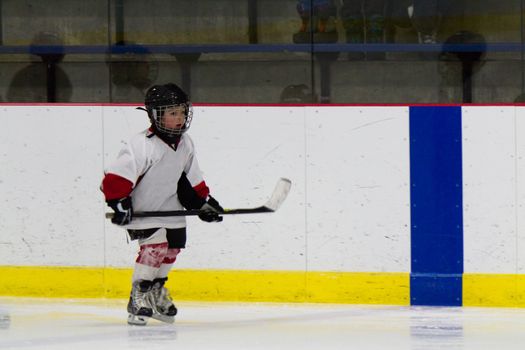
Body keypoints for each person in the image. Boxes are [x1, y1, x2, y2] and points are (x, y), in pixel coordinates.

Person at [101, 83, 223, 326]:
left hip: (171, 207)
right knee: (155, 247)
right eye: (172, 113)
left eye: (181, 112)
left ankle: (156, 291)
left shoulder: (185, 143)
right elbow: (116, 177)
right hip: (143, 209)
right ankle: (139, 295)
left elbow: (192, 179)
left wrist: (205, 203)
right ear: (155, 115)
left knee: (172, 249)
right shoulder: (141, 144)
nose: (179, 119)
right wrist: (118, 203)